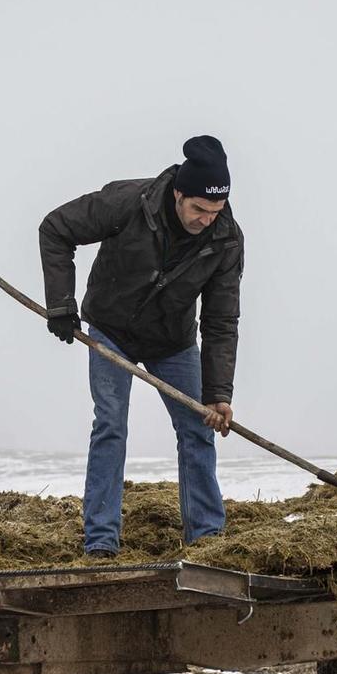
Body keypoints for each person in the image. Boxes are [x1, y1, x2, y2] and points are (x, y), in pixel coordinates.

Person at [38, 135, 243, 558]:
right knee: (111, 425)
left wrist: (219, 394)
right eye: (198, 209)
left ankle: (207, 540)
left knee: (198, 428)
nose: (206, 220)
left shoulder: (225, 239)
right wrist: (60, 304)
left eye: (216, 211)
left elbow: (221, 321)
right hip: (112, 328)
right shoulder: (130, 201)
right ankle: (100, 542)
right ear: (179, 194)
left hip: (173, 340)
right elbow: (56, 229)